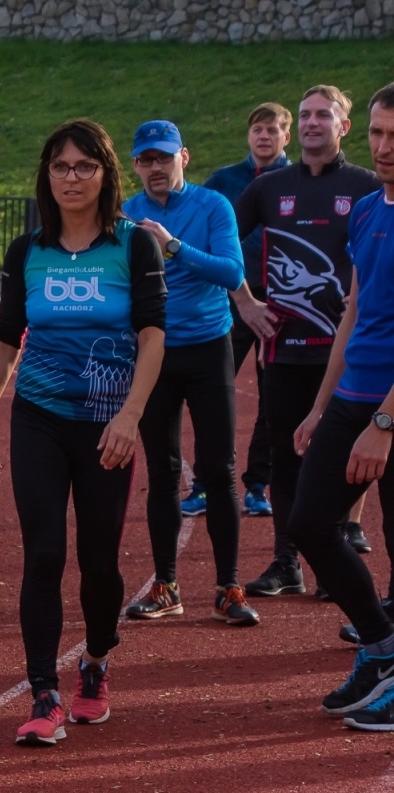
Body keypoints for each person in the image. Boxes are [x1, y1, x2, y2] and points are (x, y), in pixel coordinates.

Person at [0, 119, 167, 747]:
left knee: (99, 564)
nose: (71, 177)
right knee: (45, 553)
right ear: (45, 176)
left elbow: (154, 335)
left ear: (106, 173)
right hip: (40, 420)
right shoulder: (27, 252)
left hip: (108, 425)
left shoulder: (134, 246)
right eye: (60, 166)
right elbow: (5, 341)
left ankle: (97, 662)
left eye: (84, 166)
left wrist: (130, 415)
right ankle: (43, 693)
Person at [236, 85, 380, 599]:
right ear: (297, 127)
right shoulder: (270, 188)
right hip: (283, 349)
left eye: (326, 115)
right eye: (306, 115)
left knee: (341, 460)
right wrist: (245, 302)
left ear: (343, 127)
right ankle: (285, 563)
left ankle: (332, 565)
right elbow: (223, 242)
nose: (314, 122)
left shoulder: (366, 189)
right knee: (284, 454)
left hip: (347, 358)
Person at [287, 83, 394, 731]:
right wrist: (322, 406)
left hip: (389, 410)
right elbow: (353, 312)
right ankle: (382, 650)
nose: (384, 149)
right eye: (379, 135)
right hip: (353, 397)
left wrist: (385, 421)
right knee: (308, 524)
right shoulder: (366, 211)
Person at [119, 120, 256, 626]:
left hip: (207, 347)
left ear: (184, 157)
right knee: (162, 472)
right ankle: (166, 585)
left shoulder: (212, 206)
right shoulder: (126, 214)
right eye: (145, 160)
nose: (156, 167)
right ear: (135, 166)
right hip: (153, 353)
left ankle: (229, 587)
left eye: (163, 157)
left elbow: (232, 273)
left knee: (219, 469)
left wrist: (172, 244)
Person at [199, 101, 292, 520]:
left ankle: (258, 485)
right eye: (257, 128)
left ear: (285, 136)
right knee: (214, 394)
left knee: (275, 398)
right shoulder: (224, 180)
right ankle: (204, 483)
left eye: (273, 129)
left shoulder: (296, 180)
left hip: (286, 303)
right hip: (232, 298)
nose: (264, 136)